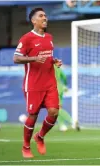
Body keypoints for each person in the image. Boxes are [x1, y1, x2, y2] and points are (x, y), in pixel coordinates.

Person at [13, 8, 62, 158]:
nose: (45, 18)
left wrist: (54, 61)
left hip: (50, 83)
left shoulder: (49, 37)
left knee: (54, 112)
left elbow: (47, 56)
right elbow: (16, 58)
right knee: (33, 115)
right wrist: (33, 59)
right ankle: (25, 147)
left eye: (45, 16)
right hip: (33, 84)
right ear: (34, 21)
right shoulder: (26, 39)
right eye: (41, 16)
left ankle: (39, 137)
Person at [54, 65, 73, 131]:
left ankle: (71, 121)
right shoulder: (57, 67)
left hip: (53, 89)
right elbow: (64, 77)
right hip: (61, 88)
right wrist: (65, 85)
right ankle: (62, 125)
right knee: (58, 108)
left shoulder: (48, 67)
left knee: (56, 109)